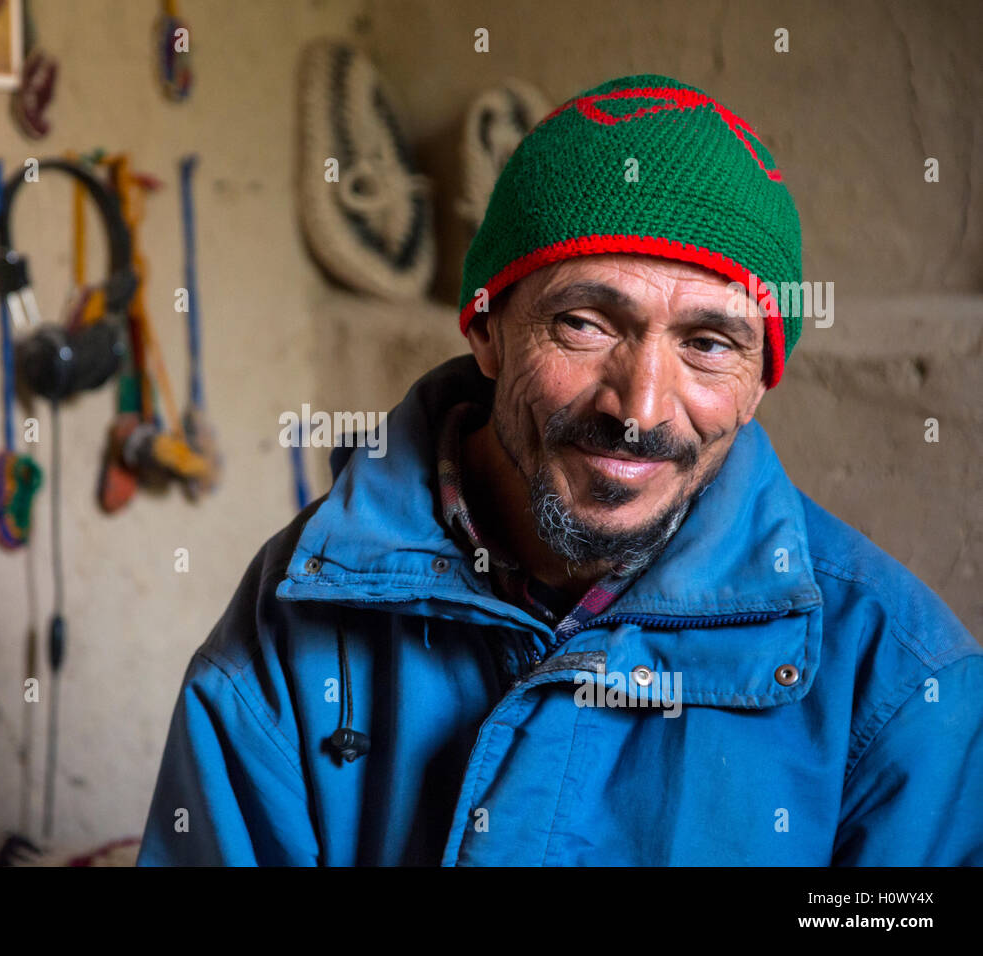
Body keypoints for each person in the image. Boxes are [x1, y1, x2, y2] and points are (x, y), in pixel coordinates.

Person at [136, 74, 983, 865]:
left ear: (762, 381)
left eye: (709, 344)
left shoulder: (903, 686)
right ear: (486, 330)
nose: (641, 407)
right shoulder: (296, 614)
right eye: (586, 324)